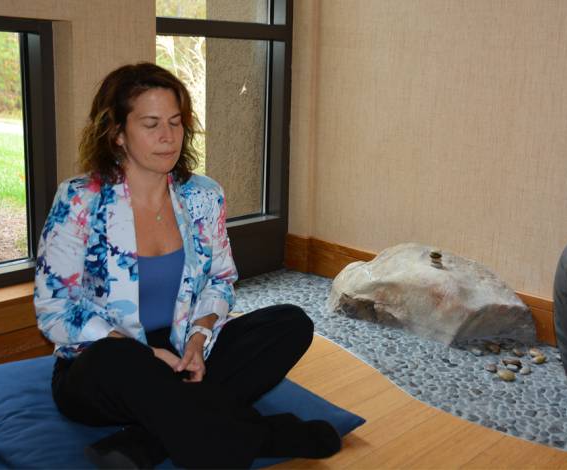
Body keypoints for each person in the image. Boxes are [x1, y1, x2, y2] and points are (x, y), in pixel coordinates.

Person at [34, 62, 341, 469]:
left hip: (182, 353)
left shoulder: (202, 195)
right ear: (118, 133)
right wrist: (142, 355)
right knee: (120, 361)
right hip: (106, 363)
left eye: (176, 123)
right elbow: (54, 307)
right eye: (151, 124)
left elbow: (221, 278)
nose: (168, 137)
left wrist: (197, 342)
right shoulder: (80, 199)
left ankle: (146, 443)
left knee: (290, 323)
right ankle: (267, 436)